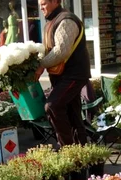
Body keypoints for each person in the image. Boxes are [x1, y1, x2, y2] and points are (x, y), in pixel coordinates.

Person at [35, 0, 91, 146]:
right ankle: (82, 155)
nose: (41, 7)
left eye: (44, 3)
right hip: (63, 76)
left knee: (52, 105)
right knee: (73, 115)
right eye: (40, 4)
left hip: (73, 74)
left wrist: (41, 65)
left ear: (55, 1)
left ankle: (67, 149)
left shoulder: (66, 20)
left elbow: (61, 51)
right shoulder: (52, 21)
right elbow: (49, 50)